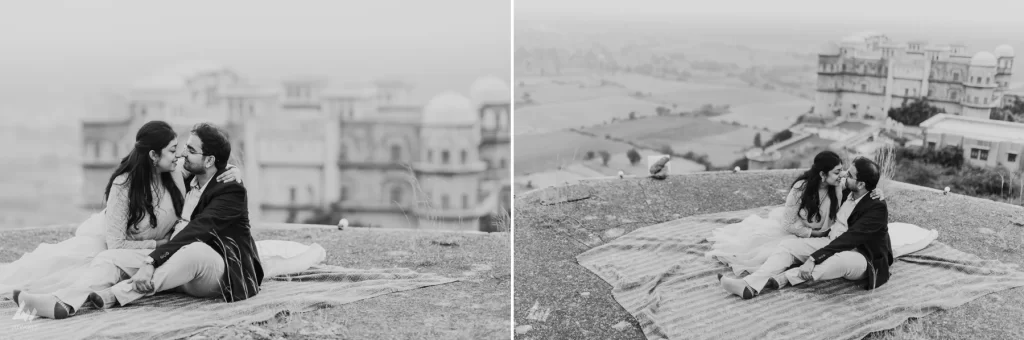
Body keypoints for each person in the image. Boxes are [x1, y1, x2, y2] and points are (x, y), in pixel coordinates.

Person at [10, 122, 325, 318]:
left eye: (190, 150)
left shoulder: (231, 192)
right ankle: (63, 302)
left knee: (193, 249)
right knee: (110, 257)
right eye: (182, 150)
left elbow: (196, 232)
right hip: (176, 261)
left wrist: (151, 261)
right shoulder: (189, 179)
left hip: (218, 273)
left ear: (210, 160)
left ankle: (110, 298)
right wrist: (148, 257)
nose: (183, 156)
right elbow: (161, 171)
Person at [718, 157, 894, 299]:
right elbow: (822, 180)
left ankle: (784, 278)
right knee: (788, 246)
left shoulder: (876, 207)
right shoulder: (849, 190)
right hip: (832, 241)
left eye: (850, 174)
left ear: (862, 184)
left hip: (862, 256)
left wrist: (813, 259)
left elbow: (850, 239)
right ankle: (749, 284)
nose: (844, 175)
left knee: (835, 260)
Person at [705, 151, 880, 275]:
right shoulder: (800, 189)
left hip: (826, 237)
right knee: (765, 256)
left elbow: (861, 185)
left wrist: (878, 192)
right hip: (801, 231)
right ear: (822, 174)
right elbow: (788, 224)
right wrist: (813, 233)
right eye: (836, 172)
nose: (841, 175)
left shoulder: (837, 185)